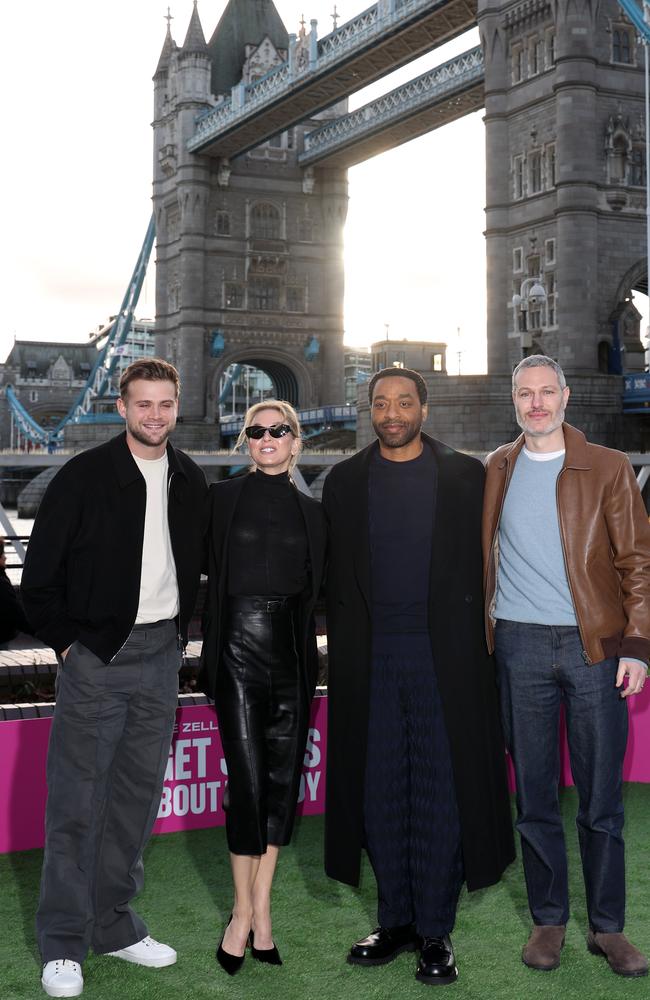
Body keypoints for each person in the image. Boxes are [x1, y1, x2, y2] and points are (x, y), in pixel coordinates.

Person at [21, 358, 207, 998]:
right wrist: (73, 645)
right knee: (77, 802)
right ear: (122, 407)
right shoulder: (82, 477)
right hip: (98, 656)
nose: (155, 415)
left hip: (162, 657)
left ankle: (116, 926)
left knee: (133, 798)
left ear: (176, 407)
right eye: (143, 404)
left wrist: (180, 637)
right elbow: (37, 583)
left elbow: (196, 572)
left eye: (166, 404)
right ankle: (63, 942)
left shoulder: (188, 478)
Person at [322, 368, 514, 987]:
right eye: (381, 403)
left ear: (424, 410)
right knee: (379, 793)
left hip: (446, 656)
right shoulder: (344, 481)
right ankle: (396, 920)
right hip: (368, 658)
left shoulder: (465, 475)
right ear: (369, 412)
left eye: (405, 402)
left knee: (441, 792)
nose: (393, 412)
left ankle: (435, 929)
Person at [482, 354, 650, 978]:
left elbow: (638, 561)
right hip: (519, 646)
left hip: (594, 649)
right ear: (515, 401)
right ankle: (548, 919)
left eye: (546, 392)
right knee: (533, 795)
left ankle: (608, 929)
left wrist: (636, 645)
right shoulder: (496, 467)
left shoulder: (607, 466)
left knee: (601, 800)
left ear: (566, 397)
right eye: (525, 393)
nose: (536, 404)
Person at [200, 400, 326, 975]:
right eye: (256, 430)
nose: (267, 437)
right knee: (247, 781)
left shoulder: (314, 514)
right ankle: (240, 913)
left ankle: (261, 910)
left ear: (297, 441)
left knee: (281, 784)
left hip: (293, 656)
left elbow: (321, 595)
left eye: (279, 430)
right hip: (236, 651)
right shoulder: (220, 501)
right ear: (245, 442)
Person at [0, 537, 32, 645]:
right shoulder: (2, 584)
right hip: (3, 636)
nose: (5, 557)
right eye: (2, 554)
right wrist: (39, 632)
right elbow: (15, 613)